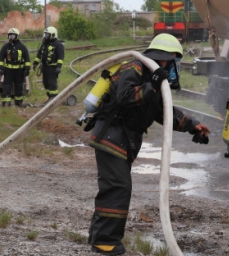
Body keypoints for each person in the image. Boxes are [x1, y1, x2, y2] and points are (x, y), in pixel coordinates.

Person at [86, 33, 211, 255]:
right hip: (111, 137)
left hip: (124, 140)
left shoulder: (153, 78)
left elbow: (164, 111)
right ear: (163, 58)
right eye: (174, 61)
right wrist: (151, 86)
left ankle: (100, 237)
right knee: (118, 188)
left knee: (117, 187)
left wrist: (193, 125)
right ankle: (105, 241)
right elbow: (125, 97)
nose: (175, 67)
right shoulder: (133, 67)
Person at [0, 27, 30, 108]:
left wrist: (27, 68)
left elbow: (27, 58)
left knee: (19, 87)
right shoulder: (5, 47)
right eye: (10, 36)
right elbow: (1, 58)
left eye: (13, 36)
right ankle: (6, 103)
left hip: (19, 71)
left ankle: (19, 102)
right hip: (8, 71)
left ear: (17, 36)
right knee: (6, 87)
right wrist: (1, 68)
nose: (11, 38)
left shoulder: (22, 47)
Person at [34, 26, 65, 101]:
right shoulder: (44, 44)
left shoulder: (58, 45)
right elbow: (39, 54)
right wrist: (35, 63)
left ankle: (54, 99)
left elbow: (61, 57)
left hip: (52, 68)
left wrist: (58, 67)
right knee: (46, 83)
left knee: (52, 84)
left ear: (53, 35)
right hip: (44, 67)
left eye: (47, 35)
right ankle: (49, 97)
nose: (45, 36)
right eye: (45, 34)